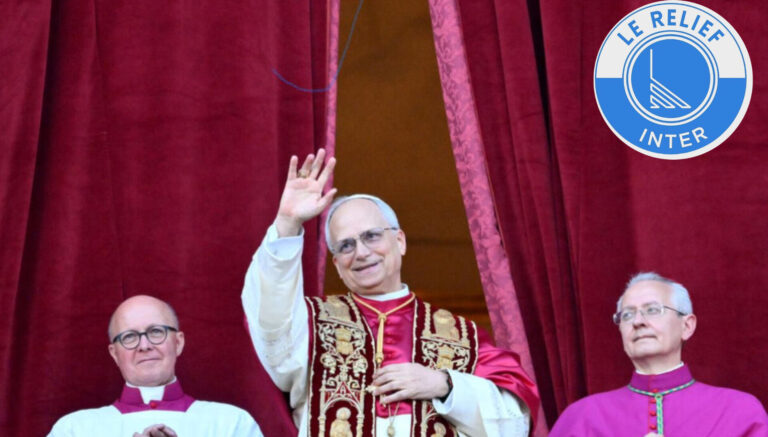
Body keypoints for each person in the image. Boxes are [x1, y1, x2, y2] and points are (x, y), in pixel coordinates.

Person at [241, 149, 539, 437]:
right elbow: (270, 319)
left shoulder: (461, 335)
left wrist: (445, 384)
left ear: (400, 241)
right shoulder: (308, 324)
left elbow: (515, 422)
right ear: (337, 265)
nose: (361, 252)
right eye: (346, 245)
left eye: (371, 236)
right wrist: (288, 223)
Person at [549, 272, 768, 437]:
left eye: (653, 310)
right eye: (627, 315)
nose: (638, 321)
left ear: (687, 326)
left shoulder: (739, 411)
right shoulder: (583, 416)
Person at [48, 295, 263, 437]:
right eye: (129, 336)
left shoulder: (231, 424)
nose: (144, 346)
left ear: (178, 343)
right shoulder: (74, 429)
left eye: (156, 332)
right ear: (114, 354)